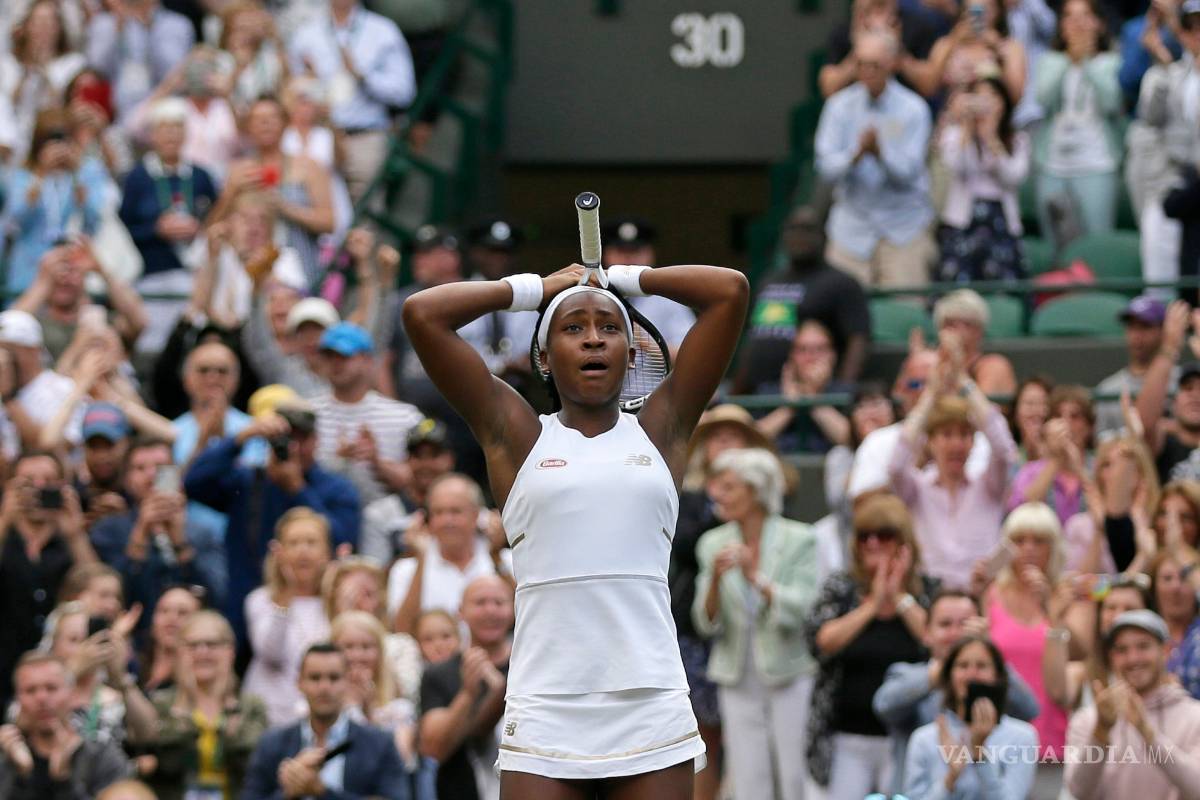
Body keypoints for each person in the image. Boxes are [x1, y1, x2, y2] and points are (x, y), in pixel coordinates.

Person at [402, 245, 748, 797]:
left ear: (632, 354)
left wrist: (622, 278)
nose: (592, 337)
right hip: (545, 705)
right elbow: (423, 314)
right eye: (573, 327)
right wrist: (536, 288)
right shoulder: (515, 435)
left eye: (610, 327)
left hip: (650, 700)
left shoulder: (663, 427)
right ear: (544, 357)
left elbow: (728, 290)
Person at [692, 448, 818, 800]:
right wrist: (716, 581)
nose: (719, 494)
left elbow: (803, 608)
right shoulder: (712, 543)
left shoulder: (800, 538)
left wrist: (755, 577)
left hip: (789, 671)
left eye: (730, 487)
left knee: (793, 774)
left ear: (756, 490)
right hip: (736, 674)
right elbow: (705, 622)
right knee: (749, 777)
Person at [183, 401, 359, 646]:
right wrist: (241, 438)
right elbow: (193, 482)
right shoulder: (249, 482)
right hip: (244, 611)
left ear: (316, 441)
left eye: (302, 439)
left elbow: (342, 542)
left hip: (314, 614)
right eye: (286, 439)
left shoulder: (337, 490)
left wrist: (298, 489)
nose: (294, 448)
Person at [804, 492, 937, 796]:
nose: (873, 544)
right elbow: (821, 641)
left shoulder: (927, 590)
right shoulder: (841, 588)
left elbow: (937, 642)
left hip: (905, 738)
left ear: (904, 542)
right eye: (865, 536)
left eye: (884, 535)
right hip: (847, 737)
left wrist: (899, 597)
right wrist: (873, 604)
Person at [873, 590, 1040, 783]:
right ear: (926, 632)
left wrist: (990, 656)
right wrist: (946, 667)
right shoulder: (905, 674)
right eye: (945, 624)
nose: (955, 634)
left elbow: (1029, 709)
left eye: (964, 624)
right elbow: (884, 706)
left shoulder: (987, 678)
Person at [815, 31, 935, 288]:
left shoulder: (914, 108)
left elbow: (910, 172)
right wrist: (855, 155)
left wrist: (881, 153)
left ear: (892, 63)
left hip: (903, 230)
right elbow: (825, 168)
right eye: (861, 64)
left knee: (904, 316)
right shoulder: (838, 106)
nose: (867, 71)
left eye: (875, 65)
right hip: (851, 232)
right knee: (843, 318)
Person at [888, 351, 1017, 587]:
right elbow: (896, 465)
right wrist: (930, 395)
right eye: (947, 435)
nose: (956, 445)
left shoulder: (988, 487)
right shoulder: (917, 489)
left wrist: (963, 380)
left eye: (964, 435)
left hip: (981, 596)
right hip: (931, 601)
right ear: (931, 442)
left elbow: (1003, 450)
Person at [242, 642, 410, 799]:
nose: (324, 687)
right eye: (315, 678)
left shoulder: (379, 743)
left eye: (334, 678)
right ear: (299, 683)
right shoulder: (271, 744)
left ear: (347, 681)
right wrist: (288, 792)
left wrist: (321, 791)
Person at [978, 502, 1074, 775]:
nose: (1028, 548)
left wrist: (1050, 608)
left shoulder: (1066, 594)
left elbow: (1081, 652)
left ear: (1053, 547)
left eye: (1039, 541)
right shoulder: (990, 595)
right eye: (1019, 541)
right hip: (995, 740)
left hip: (1049, 738)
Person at [731, 205, 870, 392]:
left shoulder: (842, 283)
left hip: (809, 393)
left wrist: (843, 391)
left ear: (823, 236)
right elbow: (754, 337)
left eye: (807, 229)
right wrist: (737, 393)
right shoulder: (769, 281)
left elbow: (858, 340)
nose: (799, 236)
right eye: (793, 229)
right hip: (759, 392)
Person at [287, 0, 416, 200]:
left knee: (366, 217)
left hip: (364, 137)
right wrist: (312, 86)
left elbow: (404, 93)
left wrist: (362, 77)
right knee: (318, 205)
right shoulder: (306, 33)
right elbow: (293, 92)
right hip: (319, 138)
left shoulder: (383, 30)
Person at [1065, 609, 1200, 799]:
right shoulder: (1089, 719)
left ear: (1166, 650)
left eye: (1143, 647)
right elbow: (1079, 790)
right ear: (1111, 657)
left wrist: (1148, 734)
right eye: (1122, 650)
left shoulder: (1195, 717)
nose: (1133, 658)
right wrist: (1101, 731)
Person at [0, 452, 96, 712]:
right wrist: (4, 521)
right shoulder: (4, 537)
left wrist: (75, 534)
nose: (40, 488)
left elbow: (101, 590)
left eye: (49, 481)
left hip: (62, 683)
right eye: (28, 482)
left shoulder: (71, 542)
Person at [90, 437, 224, 621]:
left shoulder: (203, 533)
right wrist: (141, 532)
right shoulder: (108, 530)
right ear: (127, 479)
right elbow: (113, 598)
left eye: (161, 467)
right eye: (140, 468)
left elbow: (216, 596)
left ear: (176, 475)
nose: (151, 475)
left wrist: (180, 542)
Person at [141, 610, 268, 800]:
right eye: (193, 645)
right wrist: (183, 705)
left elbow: (254, 764)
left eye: (212, 644)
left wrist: (230, 709)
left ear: (230, 651)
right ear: (179, 652)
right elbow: (166, 762)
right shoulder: (160, 704)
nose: (202, 652)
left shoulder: (251, 705)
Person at [211, 96, 334, 286]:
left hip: (299, 272)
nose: (265, 123)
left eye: (272, 117)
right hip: (248, 275)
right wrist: (231, 192)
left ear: (285, 123)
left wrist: (287, 209)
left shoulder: (309, 166)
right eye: (258, 119)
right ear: (248, 127)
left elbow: (329, 222)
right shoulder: (238, 171)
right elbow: (213, 229)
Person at [902, 636, 1039, 799]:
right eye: (963, 666)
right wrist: (951, 778)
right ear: (950, 675)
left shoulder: (1022, 736)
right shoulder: (924, 738)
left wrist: (980, 755)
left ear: (997, 675)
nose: (971, 674)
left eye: (982, 666)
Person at [1034, 0, 1123, 238]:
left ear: (1100, 24)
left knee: (1097, 242)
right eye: (1070, 17)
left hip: (1097, 162)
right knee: (1055, 243)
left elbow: (1112, 103)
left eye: (1085, 16)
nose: (1077, 24)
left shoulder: (1111, 61)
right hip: (1053, 164)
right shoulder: (1050, 61)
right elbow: (1042, 99)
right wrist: (1068, 60)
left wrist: (1086, 63)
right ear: (1061, 25)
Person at [418, 575, 511, 800]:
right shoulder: (439, 673)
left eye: (499, 603)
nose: (490, 611)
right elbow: (434, 749)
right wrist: (468, 694)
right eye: (480, 603)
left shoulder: (529, 666)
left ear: (514, 607)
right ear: (461, 611)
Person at [312, 322, 423, 506]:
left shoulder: (404, 417)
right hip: (323, 517)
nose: (336, 363)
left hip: (389, 523)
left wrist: (376, 462)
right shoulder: (307, 413)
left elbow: (421, 482)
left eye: (344, 355)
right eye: (329, 356)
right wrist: (335, 462)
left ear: (368, 360)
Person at [934, 79, 1031, 287]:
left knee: (1004, 287)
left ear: (1004, 103)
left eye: (992, 96)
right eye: (979, 96)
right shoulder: (955, 134)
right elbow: (957, 167)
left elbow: (1013, 177)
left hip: (1001, 222)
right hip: (963, 222)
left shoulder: (1017, 139)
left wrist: (991, 138)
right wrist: (967, 129)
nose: (985, 103)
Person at [387, 473, 511, 634]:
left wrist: (496, 555)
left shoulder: (506, 560)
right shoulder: (405, 570)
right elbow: (401, 630)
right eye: (438, 512)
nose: (447, 521)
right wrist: (421, 559)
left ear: (476, 515)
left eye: (455, 511)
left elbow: (521, 617)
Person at [242, 507, 334, 725]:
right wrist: (285, 598)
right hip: (269, 719)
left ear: (326, 552)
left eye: (311, 543)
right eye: (293, 543)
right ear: (278, 552)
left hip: (322, 720)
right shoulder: (260, 600)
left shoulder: (335, 603)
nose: (303, 552)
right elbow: (270, 652)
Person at [3, 110, 107, 294]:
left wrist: (76, 173)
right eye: (50, 141)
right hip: (27, 273)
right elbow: (16, 221)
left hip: (70, 275)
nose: (58, 148)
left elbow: (93, 221)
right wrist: (41, 174)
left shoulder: (85, 173)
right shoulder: (23, 176)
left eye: (63, 140)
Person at [0, 653, 129, 799]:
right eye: (30, 690)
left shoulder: (102, 757)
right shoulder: (7, 760)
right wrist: (21, 776)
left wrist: (64, 783)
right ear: (18, 699)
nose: (41, 698)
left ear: (71, 693)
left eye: (51, 688)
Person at [11, 239, 147, 365]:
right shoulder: (34, 323)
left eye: (72, 270)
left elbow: (138, 322)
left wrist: (102, 270)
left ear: (85, 276)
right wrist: (43, 281)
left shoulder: (100, 318)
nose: (64, 278)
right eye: (58, 270)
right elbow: (8, 331)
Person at [1043, 574, 1151, 711]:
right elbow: (1057, 692)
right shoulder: (1083, 672)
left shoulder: (1158, 671)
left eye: (1129, 609)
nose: (1119, 615)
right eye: (1111, 608)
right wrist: (1056, 622)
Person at [360, 417, 456, 566]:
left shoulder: (467, 511)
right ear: (407, 460)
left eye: (434, 455)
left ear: (450, 459)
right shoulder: (379, 514)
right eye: (418, 456)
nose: (426, 464)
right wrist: (411, 552)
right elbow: (374, 578)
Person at [331, 611, 418, 770]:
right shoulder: (313, 706)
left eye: (366, 647)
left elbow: (398, 762)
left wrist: (365, 712)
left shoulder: (400, 710)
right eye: (348, 646)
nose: (357, 656)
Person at [753, 320, 853, 454]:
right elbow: (751, 441)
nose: (811, 357)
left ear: (832, 355)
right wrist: (789, 407)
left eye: (819, 349)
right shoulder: (769, 391)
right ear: (792, 356)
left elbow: (851, 440)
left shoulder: (846, 392)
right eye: (802, 349)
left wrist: (814, 398)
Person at [906, 0, 1027, 108]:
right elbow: (928, 87)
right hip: (953, 120)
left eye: (987, 8)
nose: (979, 17)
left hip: (993, 124)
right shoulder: (946, 43)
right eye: (973, 10)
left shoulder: (1009, 47)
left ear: (998, 11)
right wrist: (953, 41)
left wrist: (996, 47)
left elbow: (1016, 96)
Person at [85, 0, 195, 119]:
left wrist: (149, 30)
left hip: (163, 112)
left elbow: (175, 74)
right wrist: (117, 31)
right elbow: (96, 71)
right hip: (115, 113)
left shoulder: (178, 24)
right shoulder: (103, 23)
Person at [600, 217, 697, 349]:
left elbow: (690, 351)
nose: (629, 258)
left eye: (636, 251)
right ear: (605, 255)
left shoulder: (669, 299)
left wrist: (645, 342)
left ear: (650, 255)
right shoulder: (588, 295)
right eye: (621, 251)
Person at [1010, 384, 1096, 527]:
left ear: (1088, 427)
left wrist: (1079, 470)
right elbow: (1021, 515)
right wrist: (1055, 460)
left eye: (1075, 416)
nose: (1065, 423)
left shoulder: (1100, 465)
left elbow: (1108, 511)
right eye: (1058, 416)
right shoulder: (1032, 470)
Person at [1095, 295, 1177, 437]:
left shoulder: (1184, 382)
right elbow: (1102, 444)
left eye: (1145, 327)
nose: (1137, 335)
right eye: (1132, 327)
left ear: (1163, 331)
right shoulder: (1108, 389)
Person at [1151, 550, 1200, 698]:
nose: (1176, 587)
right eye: (1167, 579)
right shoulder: (1144, 635)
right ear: (1154, 587)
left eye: (1184, 577)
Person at [137, 585, 203, 692]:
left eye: (182, 613)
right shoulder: (134, 669)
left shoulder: (203, 679)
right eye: (164, 611)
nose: (171, 619)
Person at [1009, 375, 1053, 469]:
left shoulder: (1062, 457)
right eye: (1029, 403)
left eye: (1043, 403)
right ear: (1016, 414)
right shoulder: (1008, 456)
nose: (1036, 411)